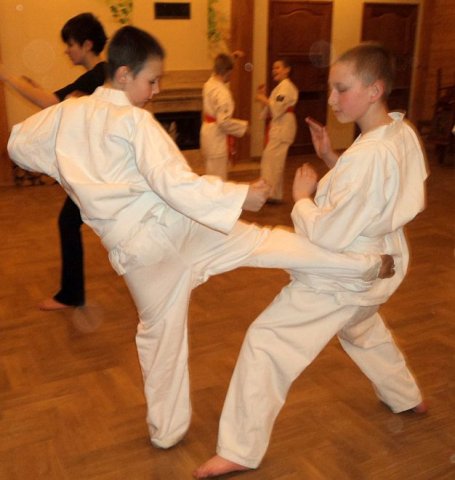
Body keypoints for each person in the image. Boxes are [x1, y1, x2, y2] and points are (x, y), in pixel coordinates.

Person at [9, 28, 393, 453]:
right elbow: (174, 182)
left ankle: (166, 430)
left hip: (140, 254)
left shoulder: (68, 115)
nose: (156, 90)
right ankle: (361, 265)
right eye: (151, 80)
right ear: (123, 75)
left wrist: (66, 161)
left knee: (161, 341)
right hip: (177, 228)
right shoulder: (135, 122)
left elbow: (18, 145)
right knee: (266, 243)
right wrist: (241, 196)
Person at [194, 43, 428, 478]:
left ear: (374, 90)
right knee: (362, 329)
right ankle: (405, 395)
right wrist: (331, 160)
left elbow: (329, 233)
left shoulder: (369, 155)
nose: (333, 98)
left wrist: (302, 199)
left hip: (345, 274)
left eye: (342, 89)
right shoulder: (401, 132)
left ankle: (240, 449)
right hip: (384, 265)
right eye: (332, 88)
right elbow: (381, 190)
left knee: (267, 340)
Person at [0, 12, 107, 310]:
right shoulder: (97, 75)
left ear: (87, 44)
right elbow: (55, 101)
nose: (66, 50)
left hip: (102, 168)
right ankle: (72, 293)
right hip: (100, 166)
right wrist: (28, 85)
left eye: (70, 44)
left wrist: (6, 77)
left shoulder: (97, 75)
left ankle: (72, 294)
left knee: (72, 222)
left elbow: (51, 102)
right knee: (71, 222)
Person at [256, 57, 298, 204]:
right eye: (273, 68)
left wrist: (263, 99)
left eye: (278, 67)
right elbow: (273, 107)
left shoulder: (286, 87)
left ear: (287, 70)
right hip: (280, 125)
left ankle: (269, 193)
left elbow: (278, 108)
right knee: (273, 161)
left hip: (283, 127)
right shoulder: (281, 87)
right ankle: (274, 194)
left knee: (272, 161)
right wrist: (265, 99)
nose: (274, 70)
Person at [200, 52, 248, 180]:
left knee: (211, 176)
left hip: (208, 134)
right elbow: (223, 122)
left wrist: (231, 59)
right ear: (228, 72)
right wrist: (243, 127)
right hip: (217, 139)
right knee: (218, 179)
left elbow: (220, 70)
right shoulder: (222, 93)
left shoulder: (209, 84)